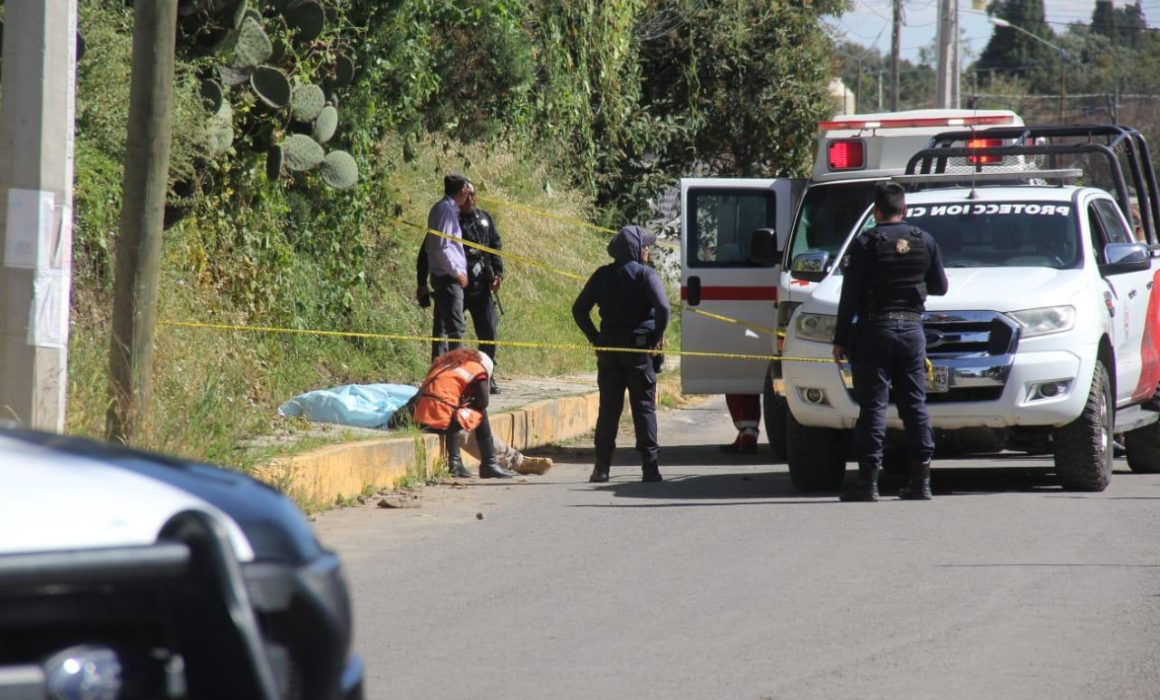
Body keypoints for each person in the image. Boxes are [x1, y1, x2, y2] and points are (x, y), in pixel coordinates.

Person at [832, 182, 948, 502]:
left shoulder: (866, 243)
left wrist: (839, 340)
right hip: (912, 332)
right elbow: (940, 286)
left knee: (873, 407)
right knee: (915, 406)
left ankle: (868, 483)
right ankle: (921, 481)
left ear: (876, 212)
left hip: (875, 331)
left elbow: (850, 297)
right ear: (905, 209)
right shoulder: (924, 240)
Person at [572, 225, 671, 483]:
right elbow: (663, 308)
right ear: (637, 249)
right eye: (645, 246)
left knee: (609, 409)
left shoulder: (602, 275)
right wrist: (657, 337)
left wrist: (595, 338)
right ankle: (650, 469)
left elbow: (579, 309)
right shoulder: (645, 275)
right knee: (644, 408)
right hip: (638, 350)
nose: (648, 250)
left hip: (609, 351)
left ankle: (601, 468)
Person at [417, 181, 505, 393]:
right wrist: (421, 283)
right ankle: (441, 378)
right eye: (468, 194)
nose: (472, 199)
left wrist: (499, 274)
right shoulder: (449, 218)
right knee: (444, 332)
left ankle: (486, 377)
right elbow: (428, 251)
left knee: (489, 332)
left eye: (474, 195)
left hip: (480, 287)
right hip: (455, 284)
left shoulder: (484, 219)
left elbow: (495, 246)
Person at [411, 348, 517, 479]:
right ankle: (489, 464)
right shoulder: (477, 369)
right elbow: (483, 402)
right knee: (479, 411)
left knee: (453, 408)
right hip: (440, 420)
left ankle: (455, 463)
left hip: (419, 419)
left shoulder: (444, 364)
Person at [418, 174, 471, 362]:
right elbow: (442, 246)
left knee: (440, 330)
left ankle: (439, 371)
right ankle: (456, 374)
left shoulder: (443, 208)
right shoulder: (446, 211)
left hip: (442, 277)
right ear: (462, 190)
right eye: (468, 190)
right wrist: (457, 273)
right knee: (456, 329)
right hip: (448, 279)